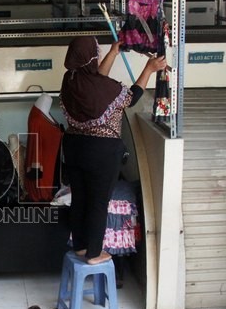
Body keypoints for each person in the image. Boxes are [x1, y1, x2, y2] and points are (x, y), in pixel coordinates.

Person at [60, 36, 165, 265]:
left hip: (74, 147)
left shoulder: (70, 80)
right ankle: (94, 253)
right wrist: (149, 68)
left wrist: (114, 52)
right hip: (102, 152)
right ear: (91, 57)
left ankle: (80, 247)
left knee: (80, 199)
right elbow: (132, 97)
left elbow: (97, 79)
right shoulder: (105, 88)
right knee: (98, 202)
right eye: (97, 52)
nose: (98, 55)